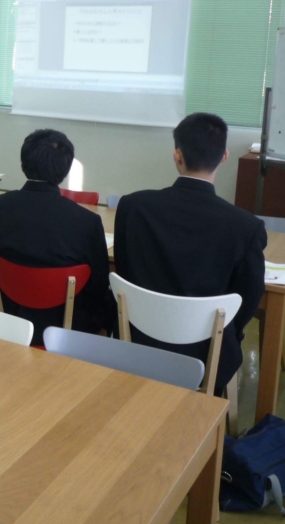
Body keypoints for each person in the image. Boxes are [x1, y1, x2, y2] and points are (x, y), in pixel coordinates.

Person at [114, 112, 267, 394]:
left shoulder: (132, 207)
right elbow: (248, 299)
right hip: (208, 354)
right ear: (224, 157)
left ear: (177, 156)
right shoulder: (245, 227)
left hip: (138, 342)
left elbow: (123, 271)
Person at [0, 130, 115, 344]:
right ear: (66, 169)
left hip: (9, 313)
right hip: (66, 322)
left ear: (23, 164)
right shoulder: (86, 221)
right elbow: (98, 285)